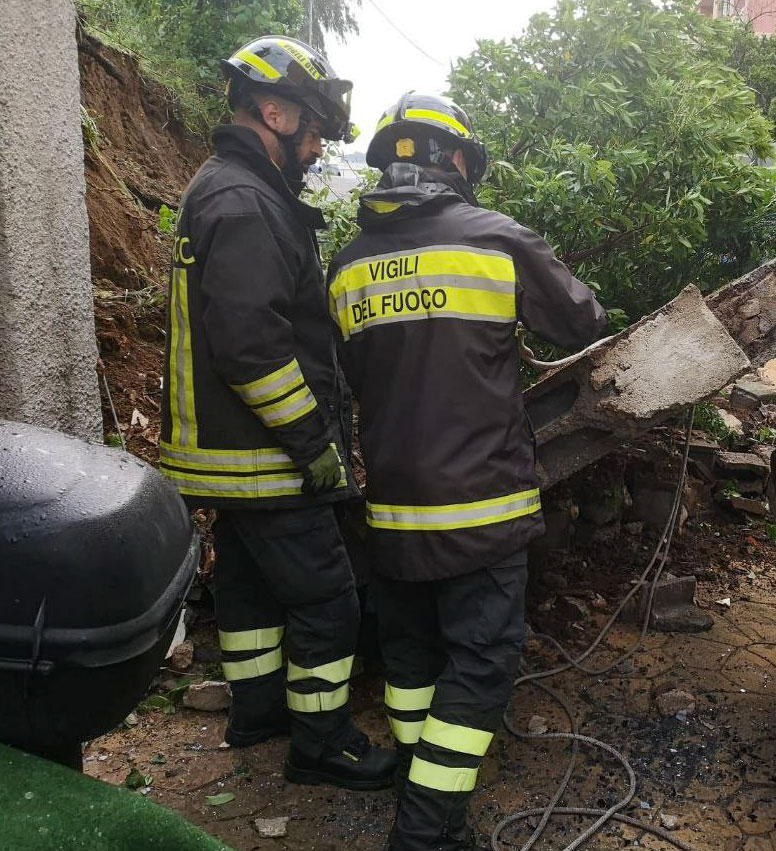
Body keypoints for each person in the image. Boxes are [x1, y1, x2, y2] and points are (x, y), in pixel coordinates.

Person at [327, 92, 607, 849]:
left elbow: (347, 374)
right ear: (456, 160)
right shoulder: (494, 237)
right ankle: (424, 826)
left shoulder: (347, 265)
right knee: (481, 665)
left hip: (392, 510)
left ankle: (427, 787)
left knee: (414, 660)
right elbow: (583, 322)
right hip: (481, 508)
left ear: (388, 161)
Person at [157, 36, 395, 790]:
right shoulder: (245, 200)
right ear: (273, 110)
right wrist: (313, 442)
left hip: (231, 456)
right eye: (316, 129)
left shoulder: (231, 187)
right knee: (328, 601)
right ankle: (321, 743)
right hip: (266, 455)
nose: (320, 146)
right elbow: (253, 347)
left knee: (251, 593)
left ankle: (259, 711)